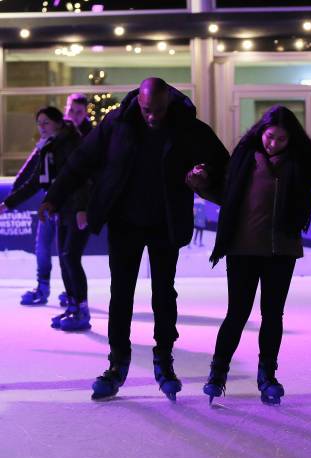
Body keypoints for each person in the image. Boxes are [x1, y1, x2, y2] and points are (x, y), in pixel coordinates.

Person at [39, 78, 230, 401]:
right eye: (146, 110)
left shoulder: (188, 127)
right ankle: (117, 365)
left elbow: (221, 163)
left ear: (168, 101)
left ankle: (164, 360)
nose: (151, 117)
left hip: (165, 223)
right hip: (125, 222)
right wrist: (53, 198)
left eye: (157, 111)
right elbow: (81, 160)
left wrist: (204, 174)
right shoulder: (118, 122)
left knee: (164, 294)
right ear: (138, 103)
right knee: (121, 294)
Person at [186, 105, 311, 405]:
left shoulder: (302, 163)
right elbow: (225, 195)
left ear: (292, 139)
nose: (273, 144)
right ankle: (217, 373)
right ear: (261, 132)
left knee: (272, 315)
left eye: (281, 140)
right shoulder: (243, 159)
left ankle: (267, 375)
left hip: (281, 250)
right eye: (270, 137)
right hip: (243, 249)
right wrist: (200, 185)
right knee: (236, 314)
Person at [0, 106, 90, 330]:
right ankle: (72, 307)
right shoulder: (49, 147)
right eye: (38, 123)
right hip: (60, 208)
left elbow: (82, 178)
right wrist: (8, 203)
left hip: (76, 208)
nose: (41, 127)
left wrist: (81, 208)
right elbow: (35, 182)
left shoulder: (71, 144)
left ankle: (81, 310)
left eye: (45, 122)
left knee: (70, 257)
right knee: (65, 258)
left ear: (59, 122)